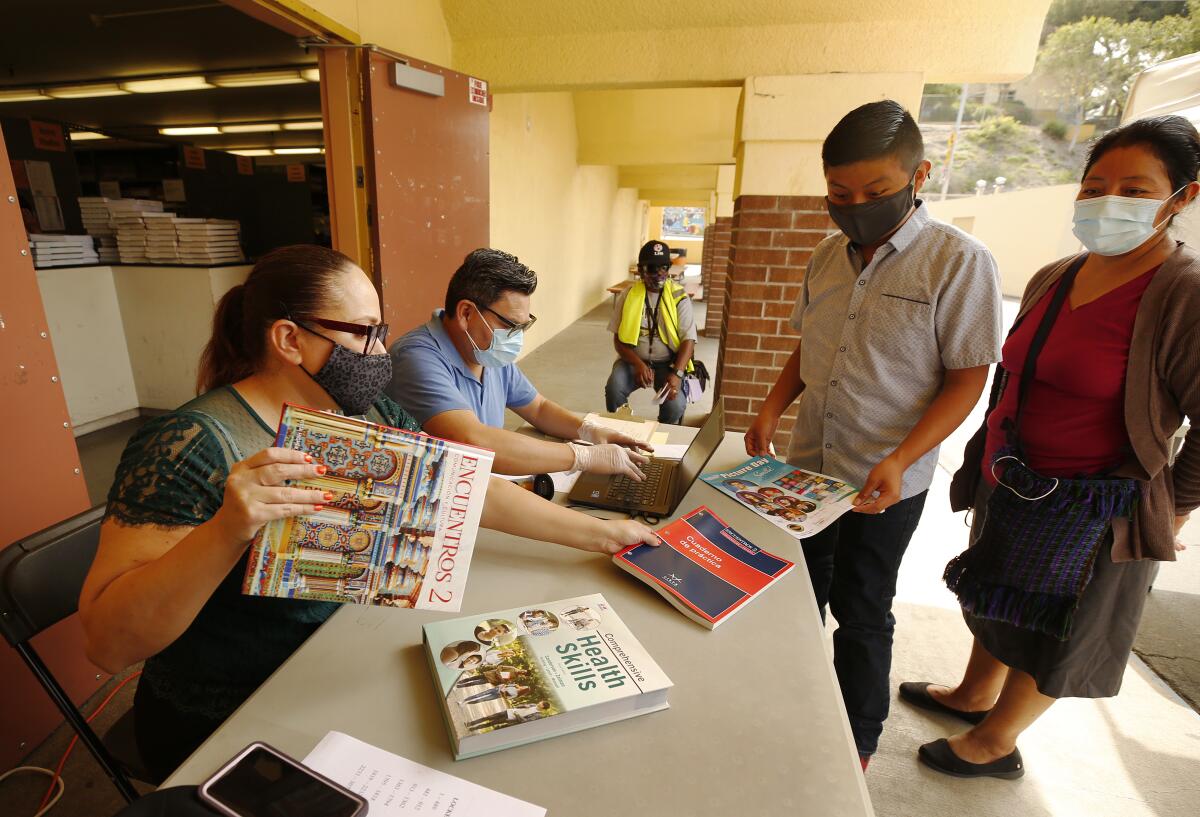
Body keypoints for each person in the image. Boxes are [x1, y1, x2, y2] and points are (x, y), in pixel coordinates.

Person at [77, 246, 657, 781]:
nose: (383, 351)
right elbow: (109, 642)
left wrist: (604, 535)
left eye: (381, 331)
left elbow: (468, 484)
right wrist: (227, 530)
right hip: (237, 716)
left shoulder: (367, 412)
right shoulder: (190, 444)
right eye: (365, 334)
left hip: (346, 659)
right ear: (288, 338)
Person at [902, 115, 1200, 780]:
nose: (1106, 202)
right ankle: (974, 693)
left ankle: (997, 739)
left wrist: (1176, 505)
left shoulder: (1182, 293)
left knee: (1060, 625)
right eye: (1094, 187)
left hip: (1098, 503)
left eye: (1134, 187)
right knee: (999, 594)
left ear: (1182, 198)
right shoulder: (1057, 275)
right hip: (1018, 480)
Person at [744, 100, 1003, 768]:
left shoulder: (958, 262)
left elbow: (966, 379)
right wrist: (772, 406)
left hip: (886, 478)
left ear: (919, 174)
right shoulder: (826, 256)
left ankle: (856, 740)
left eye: (877, 192)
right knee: (793, 591)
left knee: (862, 606)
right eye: (839, 193)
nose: (855, 205)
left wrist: (905, 455)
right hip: (806, 469)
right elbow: (811, 349)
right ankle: (791, 700)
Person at [387, 248, 651, 480]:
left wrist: (590, 432)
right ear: (466, 313)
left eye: (523, 326)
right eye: (510, 326)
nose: (516, 337)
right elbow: (472, 439)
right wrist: (582, 456)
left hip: (484, 485)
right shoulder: (415, 357)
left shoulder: (484, 351)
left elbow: (537, 408)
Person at [605, 240, 698, 424]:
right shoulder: (628, 295)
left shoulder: (679, 297)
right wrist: (638, 364)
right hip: (633, 361)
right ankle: (622, 429)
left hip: (668, 364)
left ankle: (661, 430)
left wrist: (677, 374)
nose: (659, 274)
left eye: (664, 267)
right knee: (614, 389)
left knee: (675, 406)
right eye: (652, 268)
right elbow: (618, 340)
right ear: (640, 270)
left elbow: (689, 341)